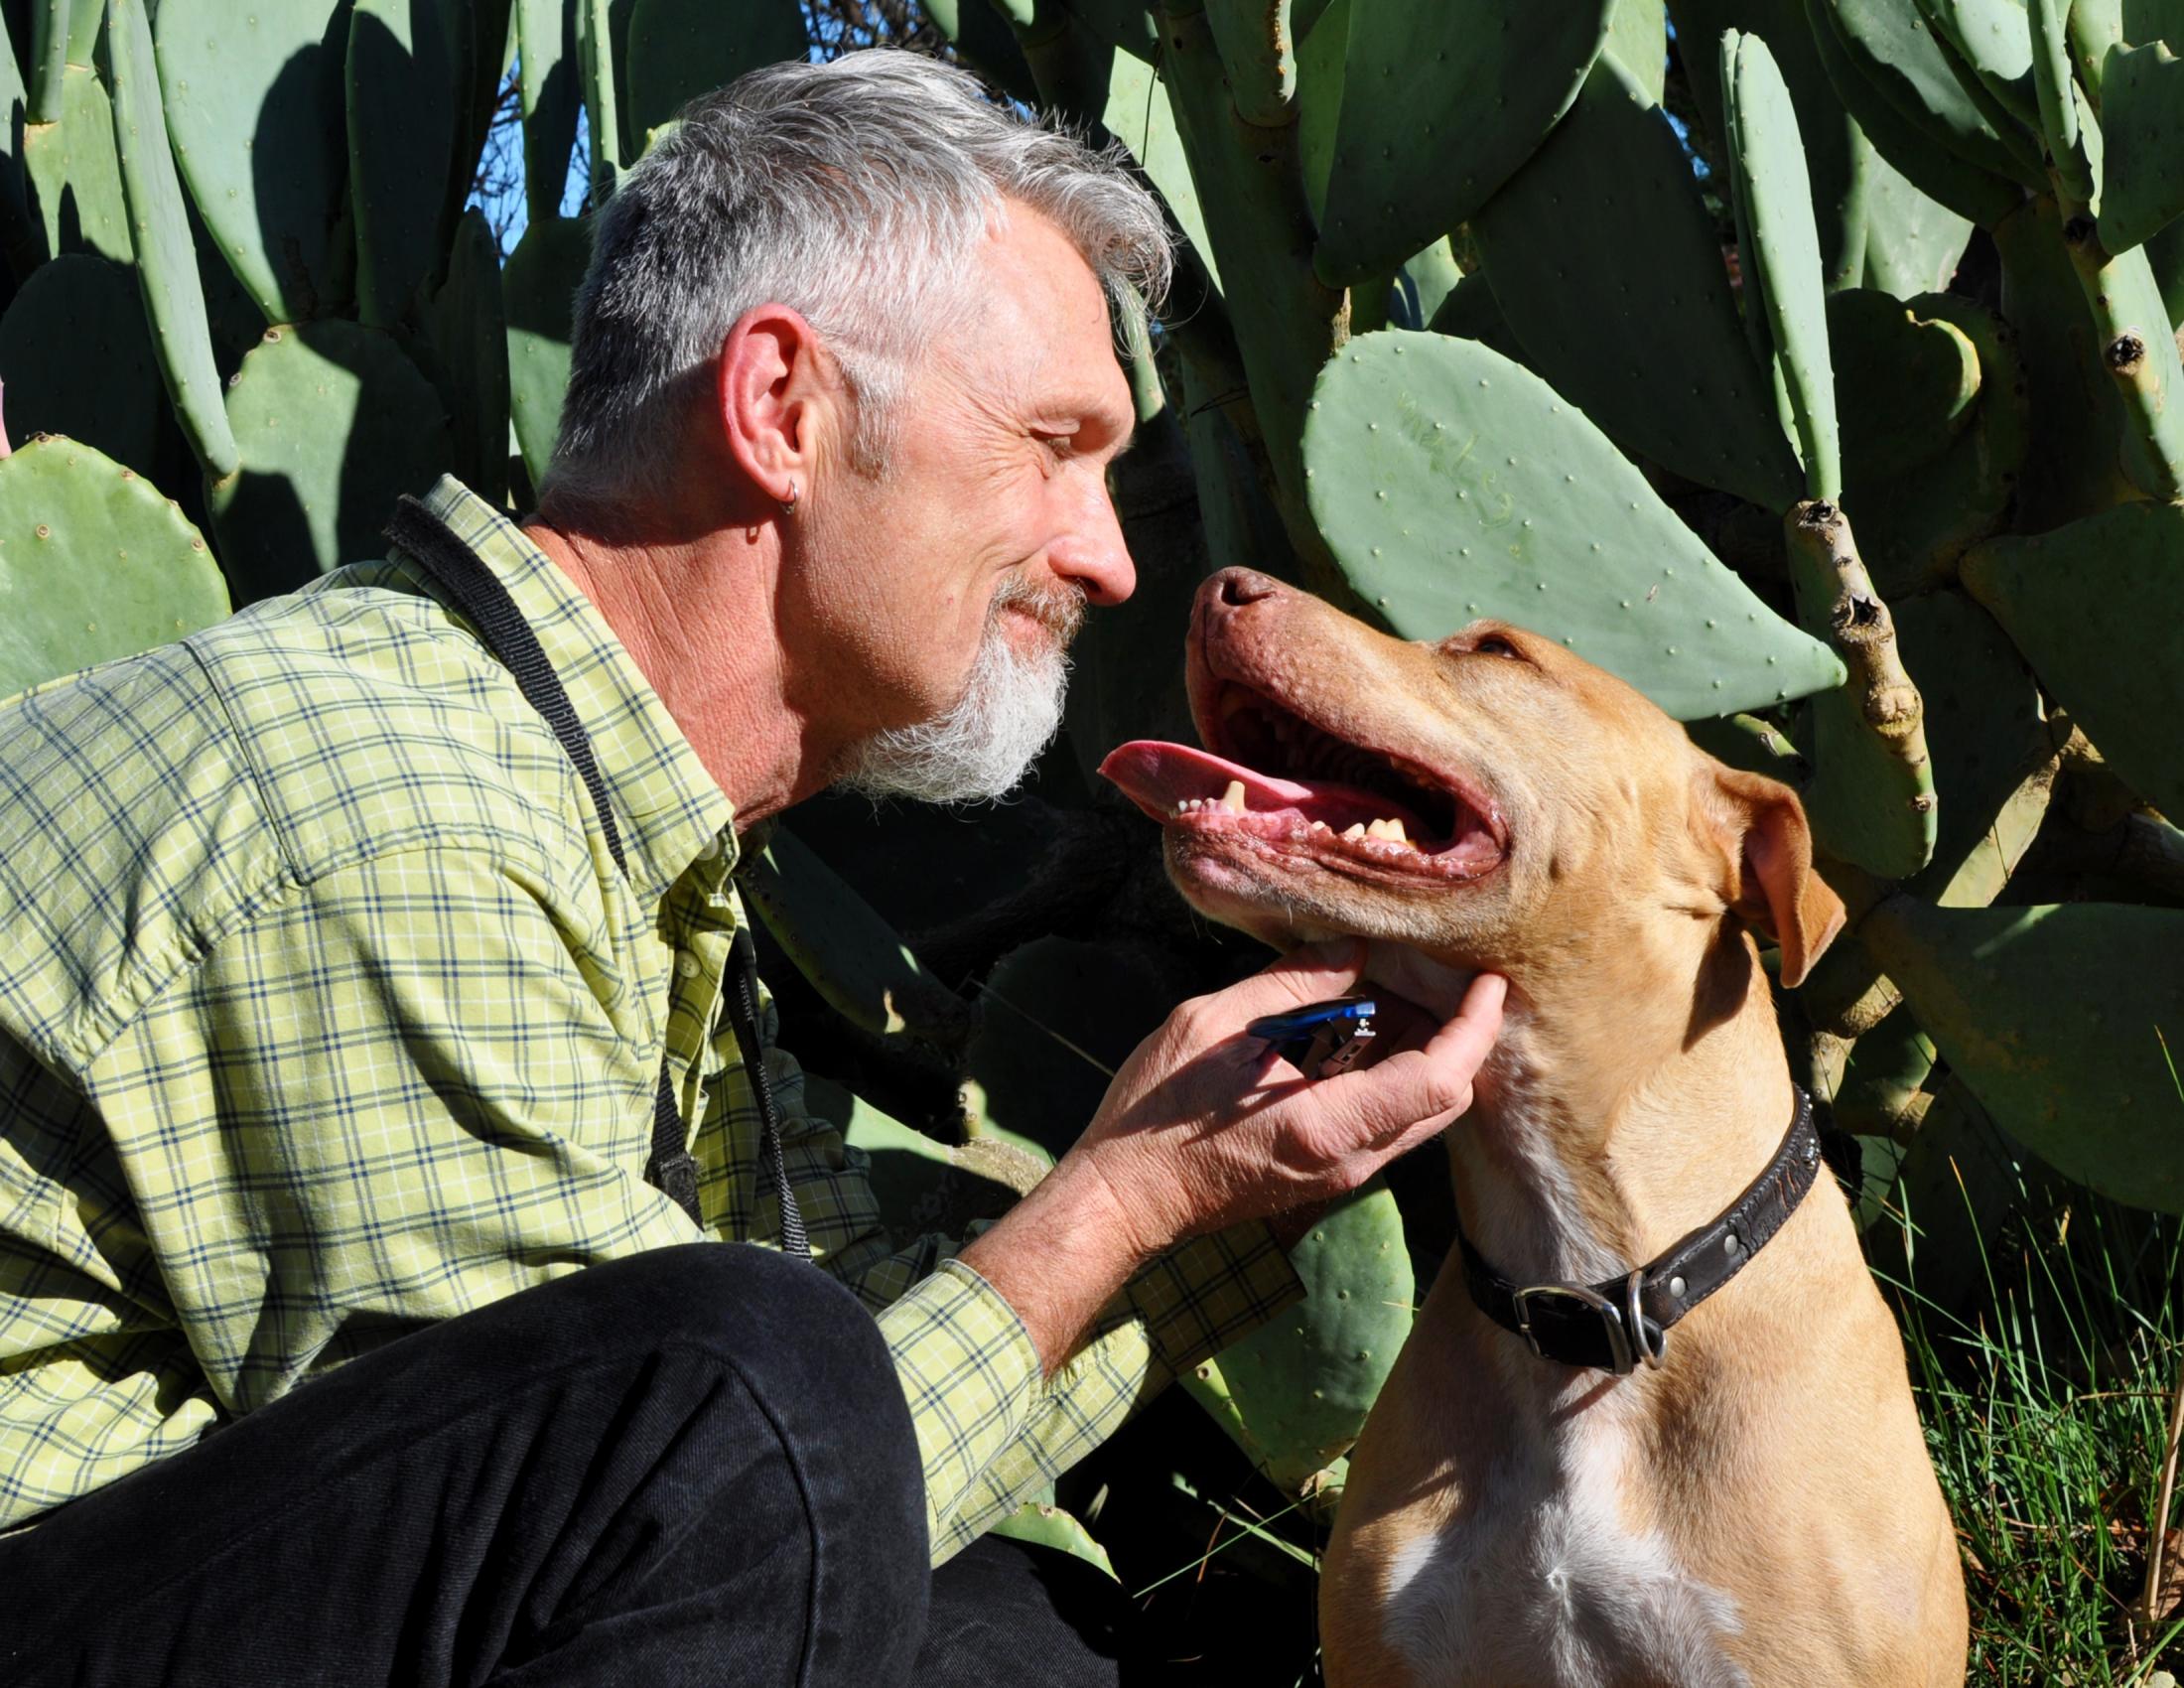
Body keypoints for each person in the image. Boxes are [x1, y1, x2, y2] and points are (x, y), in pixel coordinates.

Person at [0, 50, 1505, 1687]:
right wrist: (1117, 1201)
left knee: (983, 1629)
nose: (1114, 555)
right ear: (783, 410)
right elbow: (677, 1504)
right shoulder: (404, 821)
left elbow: (815, 1471)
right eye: (1048, 445)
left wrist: (1219, 1185)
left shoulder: (620, 824)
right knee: (756, 1382)